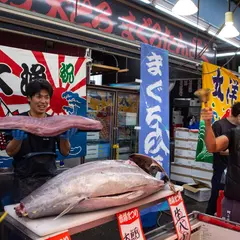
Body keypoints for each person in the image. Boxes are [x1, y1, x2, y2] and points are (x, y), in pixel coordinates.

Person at [5, 79, 77, 202]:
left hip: (49, 180)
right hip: (23, 181)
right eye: (38, 97)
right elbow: (10, 152)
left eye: (46, 97)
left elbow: (65, 152)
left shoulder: (55, 122)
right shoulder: (18, 121)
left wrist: (65, 139)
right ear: (29, 98)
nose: (43, 101)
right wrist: (17, 140)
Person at [202, 102, 240, 222]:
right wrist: (207, 124)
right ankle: (208, 219)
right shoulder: (234, 133)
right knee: (215, 196)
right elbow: (212, 146)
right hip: (235, 195)